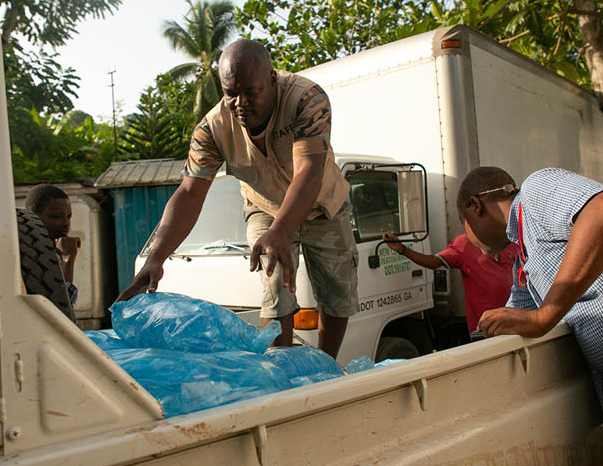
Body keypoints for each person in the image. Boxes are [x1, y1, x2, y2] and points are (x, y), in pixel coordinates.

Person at [115, 39, 358, 359]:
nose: (240, 103)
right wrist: (156, 258)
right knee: (275, 289)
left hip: (323, 203)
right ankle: (280, 371)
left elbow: (309, 170)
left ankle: (327, 365)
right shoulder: (211, 129)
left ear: (272, 79)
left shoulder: (306, 98)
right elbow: (189, 193)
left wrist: (283, 231)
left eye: (250, 91)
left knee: (336, 294)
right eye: (230, 93)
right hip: (265, 208)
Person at [456, 166, 603, 407]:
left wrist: (543, 317)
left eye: (464, 224)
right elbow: (517, 312)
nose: (473, 244)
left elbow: (599, 212)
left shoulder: (534, 190)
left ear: (475, 206)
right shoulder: (524, 257)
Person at [382, 231, 517, 334]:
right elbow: (434, 262)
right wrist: (403, 250)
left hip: (512, 320)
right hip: (485, 327)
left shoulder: (509, 240)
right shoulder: (465, 243)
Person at [25, 184, 81, 305]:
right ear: (33, 217)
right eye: (56, 216)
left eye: (69, 216)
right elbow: (63, 303)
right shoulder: (28, 254)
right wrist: (68, 259)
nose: (66, 223)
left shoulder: (53, 250)